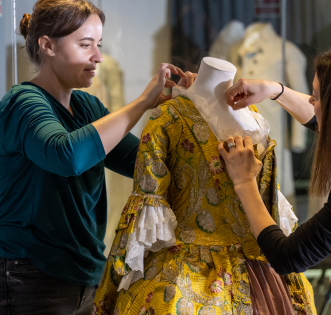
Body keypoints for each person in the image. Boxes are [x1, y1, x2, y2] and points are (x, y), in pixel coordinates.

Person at [0, 1, 195, 314]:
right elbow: (66, 155)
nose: (98, 57)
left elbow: (144, 163)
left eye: (99, 45)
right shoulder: (23, 103)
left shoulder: (88, 107)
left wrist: (186, 108)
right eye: (85, 45)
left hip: (87, 273)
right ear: (47, 45)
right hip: (32, 274)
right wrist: (142, 102)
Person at [93, 57, 316, 315]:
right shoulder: (166, 119)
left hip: (265, 269)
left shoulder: (255, 117)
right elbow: (147, 205)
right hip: (188, 278)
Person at [219, 46, 331, 314]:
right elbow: (319, 120)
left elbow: (288, 257)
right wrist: (275, 90)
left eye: (316, 97)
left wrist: (244, 181)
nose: (310, 102)